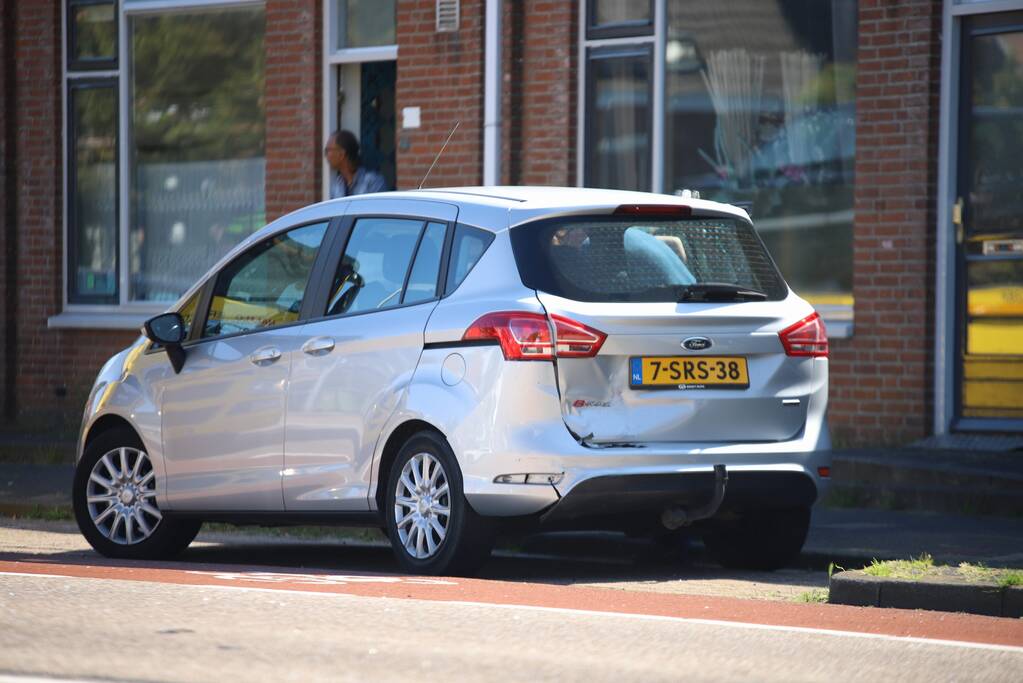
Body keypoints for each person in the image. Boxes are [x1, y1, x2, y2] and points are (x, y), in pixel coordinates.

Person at [324, 129, 388, 199]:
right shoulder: (337, 185)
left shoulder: (372, 182)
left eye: (328, 150)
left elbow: (378, 209)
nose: (326, 155)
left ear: (341, 154)